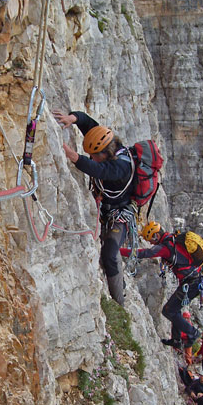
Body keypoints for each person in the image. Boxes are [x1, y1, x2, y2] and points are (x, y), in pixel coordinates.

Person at [54, 110, 136, 305]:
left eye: (94, 155)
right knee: (106, 248)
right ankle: (119, 284)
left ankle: (119, 302)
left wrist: (73, 156)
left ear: (106, 154)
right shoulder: (106, 144)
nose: (91, 157)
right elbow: (89, 125)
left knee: (109, 252)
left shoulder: (121, 166)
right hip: (105, 209)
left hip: (120, 214)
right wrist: (72, 118)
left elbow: (99, 170)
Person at [121, 221, 203, 346]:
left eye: (150, 239)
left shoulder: (165, 248)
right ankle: (177, 340)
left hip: (191, 283)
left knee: (168, 311)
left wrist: (119, 250)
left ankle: (192, 333)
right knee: (175, 309)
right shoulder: (172, 239)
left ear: (156, 235)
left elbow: (144, 253)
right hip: (195, 281)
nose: (151, 242)